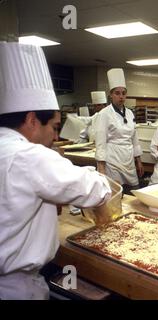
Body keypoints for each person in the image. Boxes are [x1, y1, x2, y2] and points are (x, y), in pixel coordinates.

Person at [0, 42, 112, 300]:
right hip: (14, 289)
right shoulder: (28, 156)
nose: (55, 136)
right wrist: (102, 186)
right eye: (54, 126)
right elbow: (93, 188)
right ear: (31, 120)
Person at [95, 68, 144, 194]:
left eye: (123, 93)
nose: (121, 96)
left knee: (133, 192)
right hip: (113, 160)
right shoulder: (104, 114)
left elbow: (134, 138)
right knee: (116, 194)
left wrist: (139, 161)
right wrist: (101, 168)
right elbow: (100, 142)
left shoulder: (129, 113)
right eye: (117, 93)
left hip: (128, 160)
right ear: (111, 95)